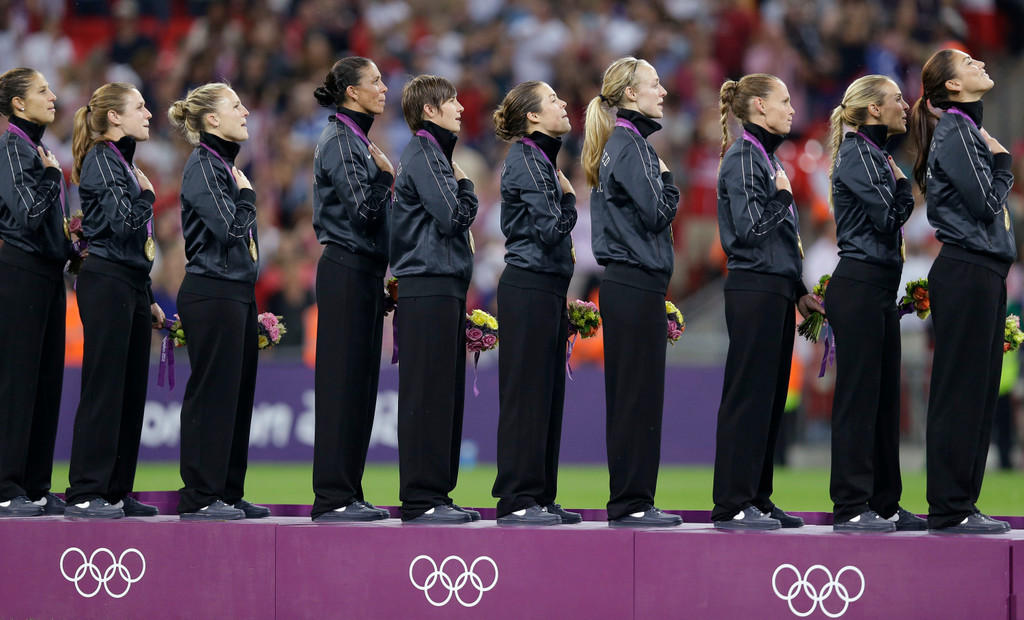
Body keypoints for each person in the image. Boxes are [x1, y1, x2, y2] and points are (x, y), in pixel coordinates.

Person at [908, 49, 1014, 534]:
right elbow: (987, 202)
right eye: (968, 63)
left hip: (983, 270)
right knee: (961, 392)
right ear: (951, 86)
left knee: (980, 393)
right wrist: (1004, 163)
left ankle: (962, 505)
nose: (980, 64)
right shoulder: (956, 131)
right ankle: (950, 507)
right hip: (968, 268)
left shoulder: (960, 131)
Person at [712, 73, 822, 530]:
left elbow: (776, 240)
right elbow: (750, 228)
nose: (792, 109)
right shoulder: (742, 157)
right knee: (749, 397)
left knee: (772, 397)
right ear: (758, 107)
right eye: (783, 100)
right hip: (753, 287)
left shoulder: (765, 158)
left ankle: (758, 495)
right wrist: (781, 196)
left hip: (775, 288)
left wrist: (798, 291)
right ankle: (733, 502)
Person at [580, 57, 682, 528]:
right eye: (653, 85)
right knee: (638, 398)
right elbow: (659, 212)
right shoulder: (633, 145)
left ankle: (632, 499)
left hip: (627, 283)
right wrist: (667, 177)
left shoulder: (619, 143)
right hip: (634, 282)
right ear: (627, 95)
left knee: (632, 397)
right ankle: (632, 502)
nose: (662, 92)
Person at [825, 75, 925, 532]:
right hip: (861, 285)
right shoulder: (856, 154)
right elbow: (888, 217)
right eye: (896, 100)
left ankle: (885, 500)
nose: (905, 105)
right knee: (859, 399)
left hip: (879, 286)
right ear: (871, 110)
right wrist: (904, 189)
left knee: (885, 401)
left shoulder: (874, 154)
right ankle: (850, 505)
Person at [168, 83, 269, 521]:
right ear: (212, 119)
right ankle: (200, 495)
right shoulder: (204, 166)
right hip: (212, 290)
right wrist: (247, 198)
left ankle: (227, 491)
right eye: (235, 106)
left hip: (235, 291)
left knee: (237, 395)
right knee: (213, 395)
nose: (245, 111)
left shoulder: (222, 167)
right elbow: (229, 228)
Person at [64, 82, 164, 519]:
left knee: (129, 390)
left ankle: (116, 490)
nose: (147, 113)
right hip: (106, 281)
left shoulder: (120, 162)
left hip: (129, 282)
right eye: (139, 107)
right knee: (106, 387)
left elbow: (127, 240)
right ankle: (87, 490)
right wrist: (147, 197)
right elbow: (124, 224)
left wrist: (148, 295)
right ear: (113, 118)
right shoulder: (103, 158)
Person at [391, 75, 479, 524]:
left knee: (442, 395)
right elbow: (453, 217)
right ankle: (421, 498)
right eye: (452, 101)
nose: (461, 108)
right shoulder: (425, 153)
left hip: (439, 286)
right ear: (429, 110)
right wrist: (466, 187)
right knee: (427, 394)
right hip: (427, 286)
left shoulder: (430, 153)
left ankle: (437, 495)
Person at [490, 81, 579, 526]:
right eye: (553, 100)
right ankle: (516, 498)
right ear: (533, 117)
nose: (563, 103)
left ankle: (540, 495)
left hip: (545, 288)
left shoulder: (538, 159)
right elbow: (550, 229)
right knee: (527, 396)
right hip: (528, 287)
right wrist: (570, 200)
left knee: (547, 396)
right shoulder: (527, 160)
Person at [310, 57, 393, 523]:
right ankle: (333, 497)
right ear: (351, 93)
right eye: (375, 81)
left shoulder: (355, 139)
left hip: (362, 271)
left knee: (360, 388)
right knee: (343, 386)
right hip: (345, 267)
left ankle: (350, 492)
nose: (384, 88)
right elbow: (363, 208)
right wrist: (384, 178)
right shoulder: (341, 139)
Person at [0, 68, 67, 518]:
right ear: (18, 104)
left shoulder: (36, 148)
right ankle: (6, 486)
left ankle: (36, 485)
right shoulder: (11, 147)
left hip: (48, 272)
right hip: (21, 270)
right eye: (42, 90)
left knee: (46, 382)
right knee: (18, 382)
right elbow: (25, 214)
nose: (53, 95)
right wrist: (50, 177)